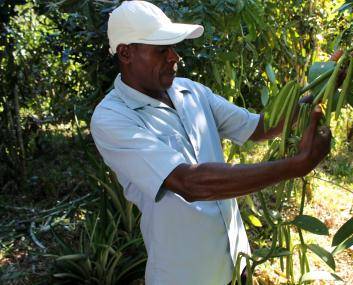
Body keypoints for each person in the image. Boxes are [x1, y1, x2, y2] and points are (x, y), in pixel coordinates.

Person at [90, 1, 332, 284]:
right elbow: (190, 183)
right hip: (188, 275)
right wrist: (296, 165)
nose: (174, 57)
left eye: (173, 47)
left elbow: (258, 126)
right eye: (161, 49)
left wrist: (323, 83)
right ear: (126, 53)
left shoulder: (190, 92)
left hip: (236, 261)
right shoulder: (113, 118)